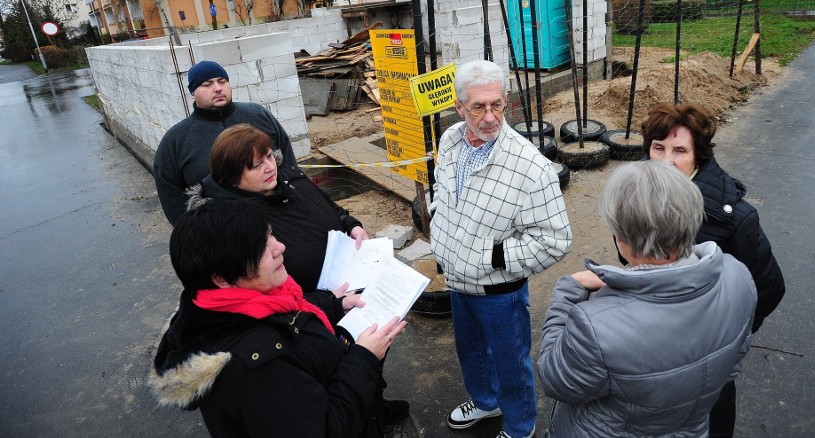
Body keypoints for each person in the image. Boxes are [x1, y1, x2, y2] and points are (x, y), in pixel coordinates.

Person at [148, 199, 407, 437]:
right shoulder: (254, 369)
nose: (280, 247)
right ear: (222, 278)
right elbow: (327, 429)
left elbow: (287, 319)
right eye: (262, 248)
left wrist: (334, 305)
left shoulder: (231, 303)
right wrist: (364, 358)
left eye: (270, 234)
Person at [538, 161, 757, 437]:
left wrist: (568, 292)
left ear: (621, 238)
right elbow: (732, 363)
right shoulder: (736, 276)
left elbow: (554, 379)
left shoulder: (597, 327)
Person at [429, 60, 573, 438]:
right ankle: (485, 402)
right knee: (471, 351)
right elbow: (443, 194)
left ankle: (520, 426)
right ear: (460, 108)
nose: (490, 116)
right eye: (478, 107)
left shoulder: (531, 168)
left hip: (499, 291)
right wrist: (439, 225)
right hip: (458, 280)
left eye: (497, 104)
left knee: (512, 363)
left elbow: (555, 239)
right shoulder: (449, 141)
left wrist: (493, 259)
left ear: (506, 101)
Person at [640, 102, 785, 437]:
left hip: (706, 365)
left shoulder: (734, 219)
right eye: (658, 148)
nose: (665, 160)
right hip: (653, 350)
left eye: (679, 150)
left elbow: (770, 289)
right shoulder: (641, 193)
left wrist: (728, 337)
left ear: (698, 156)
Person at [187, 123, 368, 293]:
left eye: (269, 156)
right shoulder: (232, 224)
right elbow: (262, 295)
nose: (269, 167)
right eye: (256, 165)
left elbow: (331, 208)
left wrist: (351, 225)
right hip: (316, 311)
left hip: (354, 276)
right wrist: (329, 303)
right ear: (232, 178)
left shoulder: (290, 177)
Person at [153, 60, 299, 225]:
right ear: (193, 93)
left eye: (222, 81)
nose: (217, 88)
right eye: (207, 84)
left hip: (281, 217)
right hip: (224, 231)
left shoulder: (258, 115)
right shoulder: (175, 140)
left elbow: (288, 161)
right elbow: (172, 198)